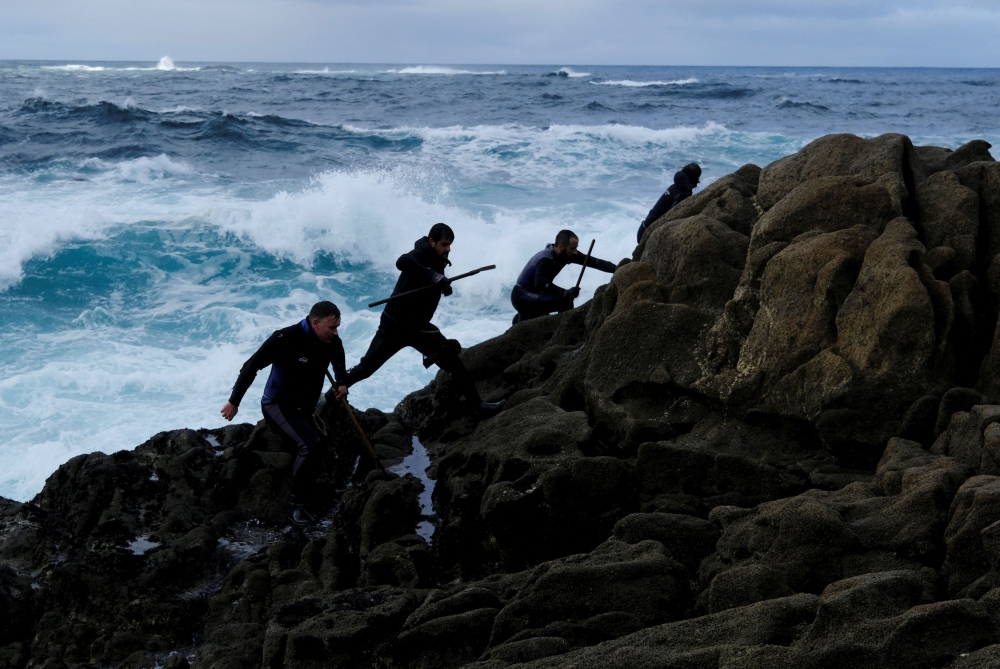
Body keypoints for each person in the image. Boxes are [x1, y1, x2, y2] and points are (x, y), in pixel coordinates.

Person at [345, 223, 505, 414]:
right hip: (394, 327)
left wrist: (442, 286)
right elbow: (401, 262)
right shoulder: (418, 254)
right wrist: (433, 276)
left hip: (419, 328)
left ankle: (477, 405)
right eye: (445, 244)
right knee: (366, 368)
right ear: (431, 242)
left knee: (453, 361)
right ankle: (335, 389)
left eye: (450, 245)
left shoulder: (439, 258)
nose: (449, 249)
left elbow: (431, 282)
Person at [220, 300, 348, 527]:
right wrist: (234, 402)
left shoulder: (330, 341)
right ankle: (296, 506)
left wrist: (341, 382)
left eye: (337, 327)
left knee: (324, 448)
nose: (336, 332)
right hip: (277, 405)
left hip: (306, 407)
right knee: (310, 445)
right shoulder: (285, 339)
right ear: (316, 323)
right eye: (332, 327)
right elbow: (251, 366)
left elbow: (338, 357)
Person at [511, 229, 617, 324]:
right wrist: (564, 292)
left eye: (576, 248)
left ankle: (522, 321)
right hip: (521, 296)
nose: (576, 251)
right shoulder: (546, 259)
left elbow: (594, 262)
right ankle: (565, 331)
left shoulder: (566, 254)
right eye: (573, 248)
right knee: (565, 300)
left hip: (536, 293)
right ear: (561, 247)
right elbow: (540, 283)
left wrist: (617, 268)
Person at [636, 162, 702, 243]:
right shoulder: (682, 193)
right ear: (694, 179)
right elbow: (673, 217)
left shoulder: (677, 185)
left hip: (644, 227)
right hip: (647, 233)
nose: (699, 181)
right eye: (698, 178)